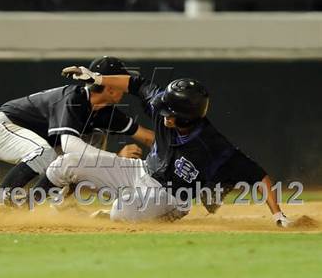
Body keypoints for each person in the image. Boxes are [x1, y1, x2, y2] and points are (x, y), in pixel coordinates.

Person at [46, 65, 291, 227]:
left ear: (187, 117)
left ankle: (127, 209)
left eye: (169, 113)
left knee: (122, 214)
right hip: (141, 171)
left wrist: (278, 215)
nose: (162, 116)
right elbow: (136, 83)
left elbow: (259, 176)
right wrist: (97, 78)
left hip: (169, 196)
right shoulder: (162, 105)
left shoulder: (213, 145)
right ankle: (73, 210)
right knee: (62, 166)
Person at [0, 57, 154, 205]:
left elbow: (146, 137)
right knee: (50, 153)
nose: (124, 86)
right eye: (120, 81)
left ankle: (57, 204)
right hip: (2, 129)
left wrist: (178, 150)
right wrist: (117, 158)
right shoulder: (73, 99)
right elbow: (71, 147)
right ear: (110, 88)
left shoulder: (106, 112)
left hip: (31, 139)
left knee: (90, 145)